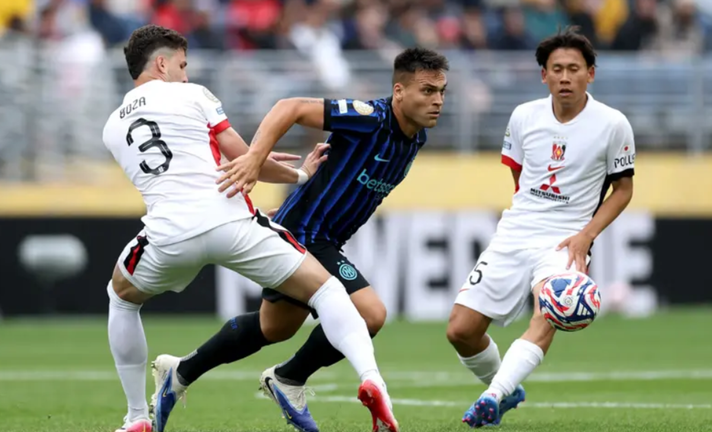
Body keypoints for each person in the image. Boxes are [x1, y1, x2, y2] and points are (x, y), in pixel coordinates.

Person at [103, 24, 396, 432]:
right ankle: (372, 378)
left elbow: (182, 169)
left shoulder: (112, 127)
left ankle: (136, 416)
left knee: (121, 297)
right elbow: (244, 160)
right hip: (230, 221)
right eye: (182, 65)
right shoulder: (194, 95)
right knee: (327, 290)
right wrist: (300, 175)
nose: (186, 75)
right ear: (162, 64)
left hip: (167, 234)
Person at [150, 47, 449, 432]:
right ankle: (288, 379)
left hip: (318, 235)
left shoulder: (415, 138)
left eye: (442, 91)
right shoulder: (369, 117)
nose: (438, 101)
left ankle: (180, 371)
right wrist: (254, 158)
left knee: (274, 327)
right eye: (428, 90)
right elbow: (288, 107)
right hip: (308, 235)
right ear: (399, 91)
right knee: (370, 313)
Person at [446, 26, 636, 427]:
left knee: (548, 311)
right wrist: (529, 215)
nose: (565, 77)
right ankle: (506, 389)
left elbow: (623, 190)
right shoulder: (523, 116)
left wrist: (586, 236)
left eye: (574, 69)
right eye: (557, 69)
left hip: (566, 241)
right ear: (544, 75)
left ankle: (492, 397)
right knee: (461, 331)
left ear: (590, 74)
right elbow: (519, 176)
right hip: (515, 232)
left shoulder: (613, 124)